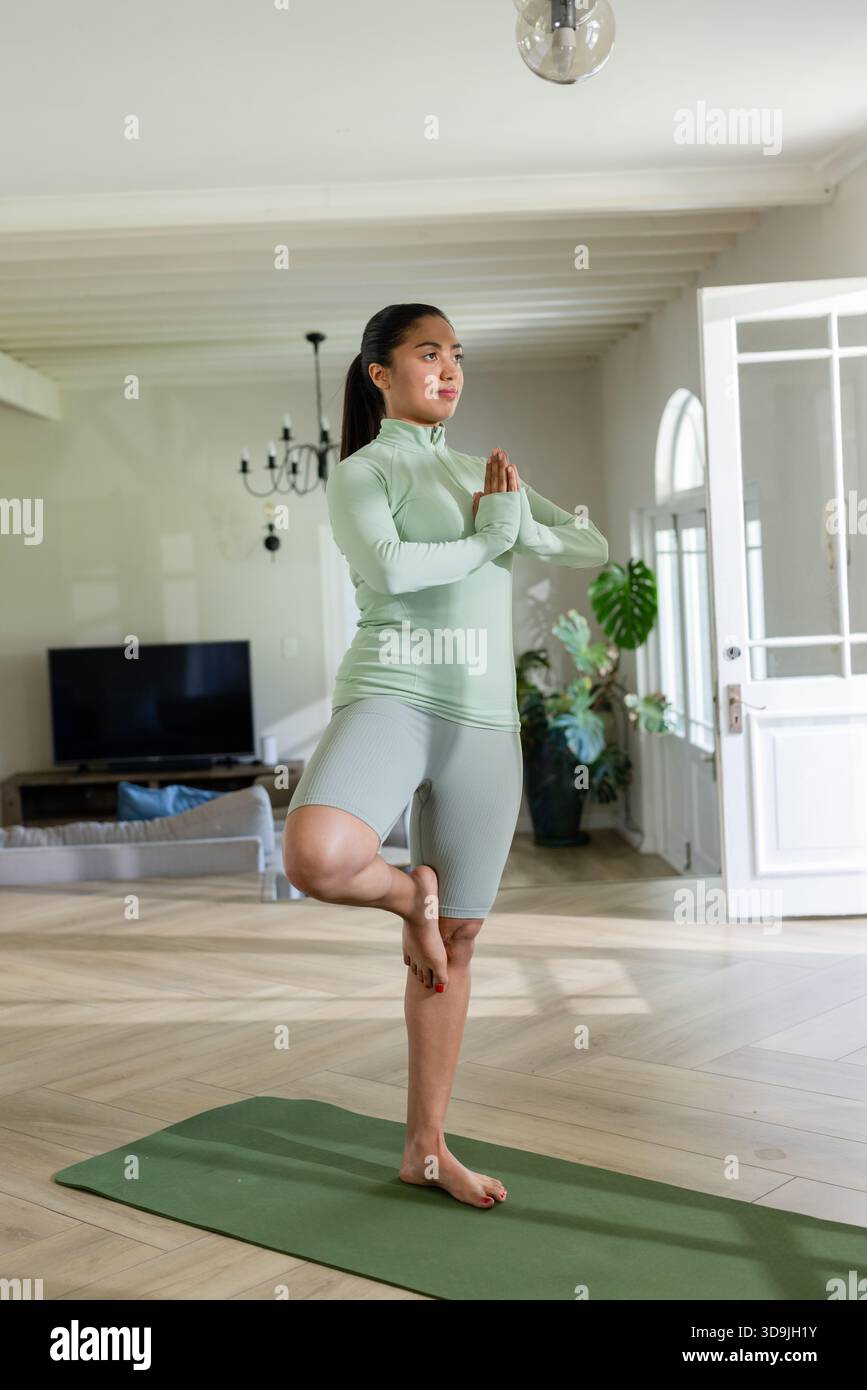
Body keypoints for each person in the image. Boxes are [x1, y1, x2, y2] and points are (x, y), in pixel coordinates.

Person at [283, 302, 608, 1208]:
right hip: (391, 690)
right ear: (379, 374)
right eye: (428, 354)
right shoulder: (360, 474)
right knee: (316, 856)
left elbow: (590, 541)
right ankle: (405, 895)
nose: (449, 369)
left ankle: (425, 1149)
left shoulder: (484, 473)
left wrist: (510, 519)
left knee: (458, 943)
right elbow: (387, 570)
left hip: (483, 717)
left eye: (457, 355)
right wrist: (483, 541)